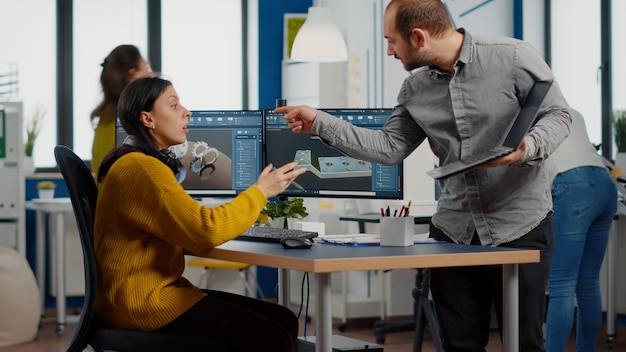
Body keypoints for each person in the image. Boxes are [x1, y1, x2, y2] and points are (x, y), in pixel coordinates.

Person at [276, 0, 572, 351]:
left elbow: (558, 115)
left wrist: (528, 147)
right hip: (453, 231)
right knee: (458, 344)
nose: (388, 51)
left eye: (391, 41)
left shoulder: (512, 57)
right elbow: (388, 148)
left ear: (418, 37)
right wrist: (319, 121)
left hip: (519, 224)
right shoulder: (415, 90)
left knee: (524, 343)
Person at [95, 76, 305, 352]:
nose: (186, 112)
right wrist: (260, 192)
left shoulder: (133, 162)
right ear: (148, 119)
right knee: (272, 337)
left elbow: (187, 225)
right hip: (145, 302)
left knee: (283, 318)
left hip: (135, 296)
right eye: (174, 105)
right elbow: (204, 231)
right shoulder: (143, 168)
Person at [544, 108, 617, 351]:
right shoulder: (572, 111)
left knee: (561, 284)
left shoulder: (528, 112)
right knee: (588, 283)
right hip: (605, 185)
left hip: (573, 186)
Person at [91, 44, 153, 177]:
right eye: (146, 68)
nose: (151, 74)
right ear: (133, 75)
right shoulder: (130, 122)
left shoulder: (104, 120)